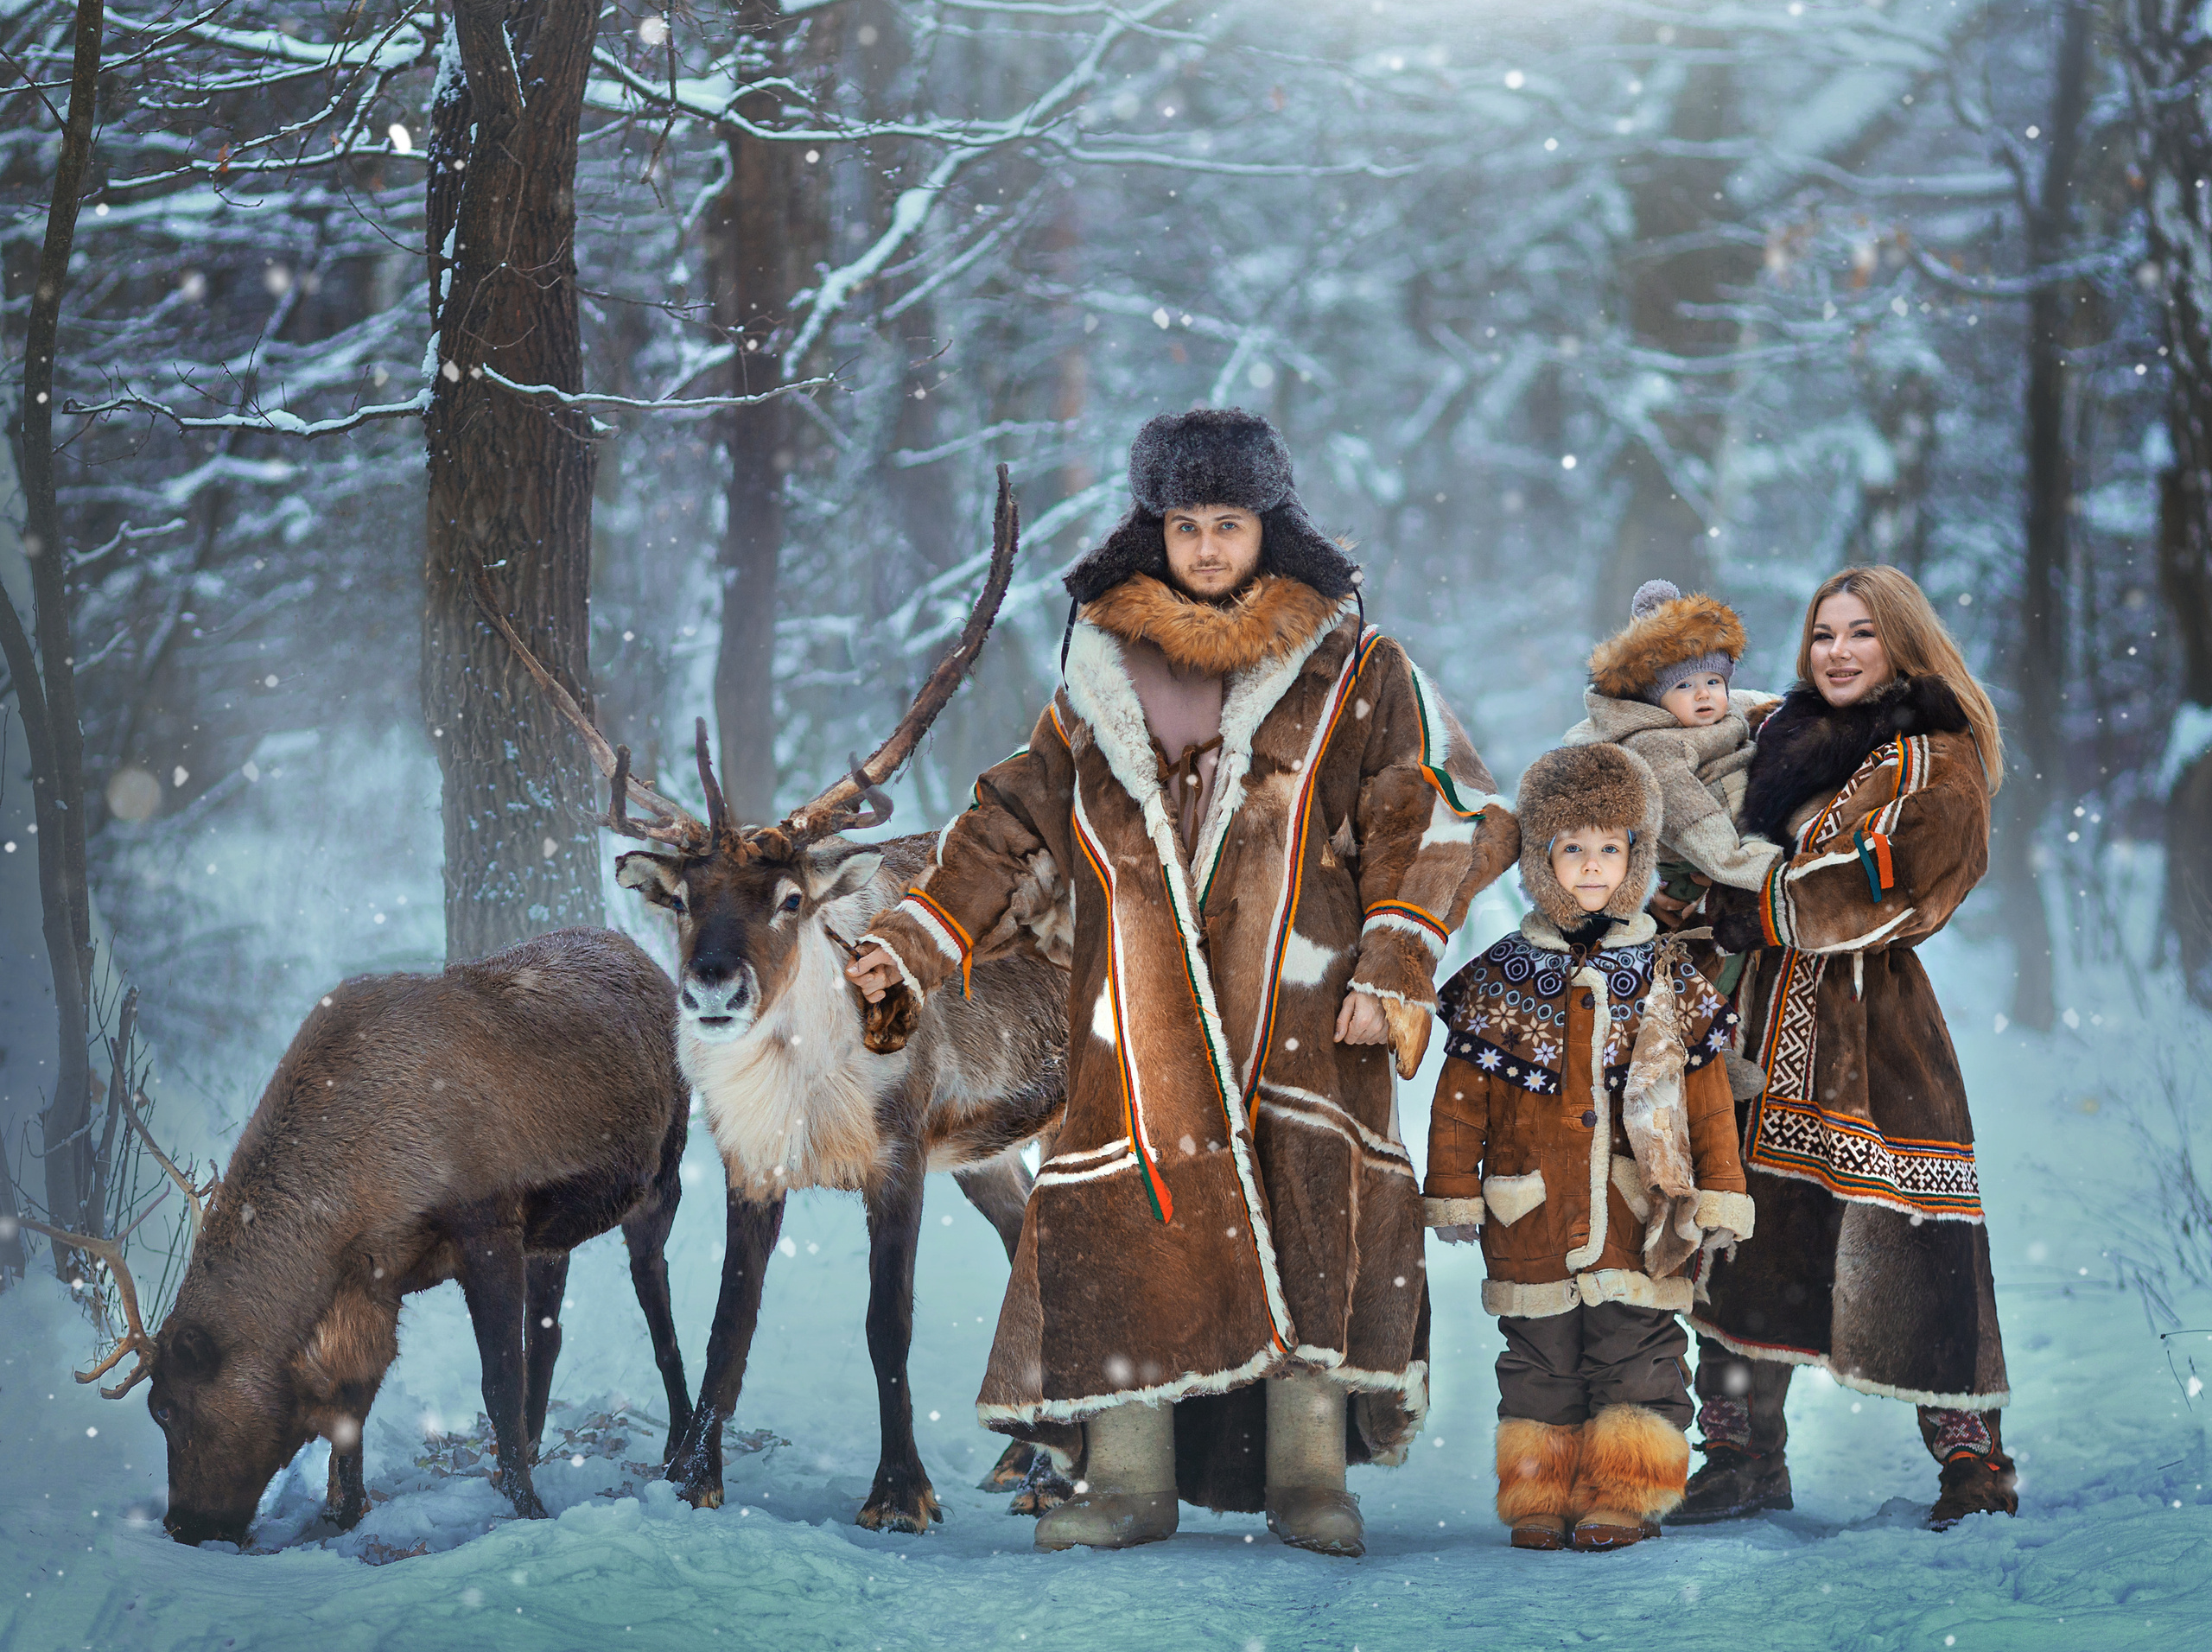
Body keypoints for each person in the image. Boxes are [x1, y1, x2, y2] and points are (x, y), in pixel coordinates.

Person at [845, 408, 1517, 1557]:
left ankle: (1311, 1480)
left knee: (1306, 1221)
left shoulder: (1358, 667)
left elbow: (1441, 809)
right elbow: (1011, 828)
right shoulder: (1098, 680)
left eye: (1231, 524)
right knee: (1130, 1233)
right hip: (1137, 1017)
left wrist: (1398, 953)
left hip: (1303, 1007)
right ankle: (1126, 1483)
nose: (1208, 548)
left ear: (1273, 528)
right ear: (1153, 530)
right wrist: (913, 940)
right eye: (1186, 524)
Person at [1672, 563, 2018, 1530]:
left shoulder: (1934, 758)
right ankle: (1740, 1457)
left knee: (1918, 1248)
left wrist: (1762, 905)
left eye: (1860, 633)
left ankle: (1972, 1460)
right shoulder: (1778, 743)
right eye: (1822, 634)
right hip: (1753, 1033)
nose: (1836, 652)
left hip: (1877, 1043)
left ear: (1899, 643)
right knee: (1744, 1245)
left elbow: (1900, 884)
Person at [1424, 743, 1752, 1551]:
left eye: (1611, 848)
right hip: (1528, 1213)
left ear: (1637, 856)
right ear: (1542, 860)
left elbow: (1707, 1104)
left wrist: (1719, 1196)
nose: (1593, 866)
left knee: (1636, 1354)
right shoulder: (1501, 976)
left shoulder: (1669, 976)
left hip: (1637, 1213)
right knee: (1538, 1360)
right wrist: (1454, 1190)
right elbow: (1460, 1101)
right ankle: (1540, 1491)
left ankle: (1627, 1493)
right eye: (1573, 849)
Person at [1565, 578, 1782, 893]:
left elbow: (1756, 702)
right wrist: (1749, 865)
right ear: (1657, 699)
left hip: (1737, 831)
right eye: (1683, 686)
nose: (1702, 695)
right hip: (1696, 862)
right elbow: (1688, 814)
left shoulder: (1725, 710)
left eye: (1713, 682)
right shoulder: (1657, 745)